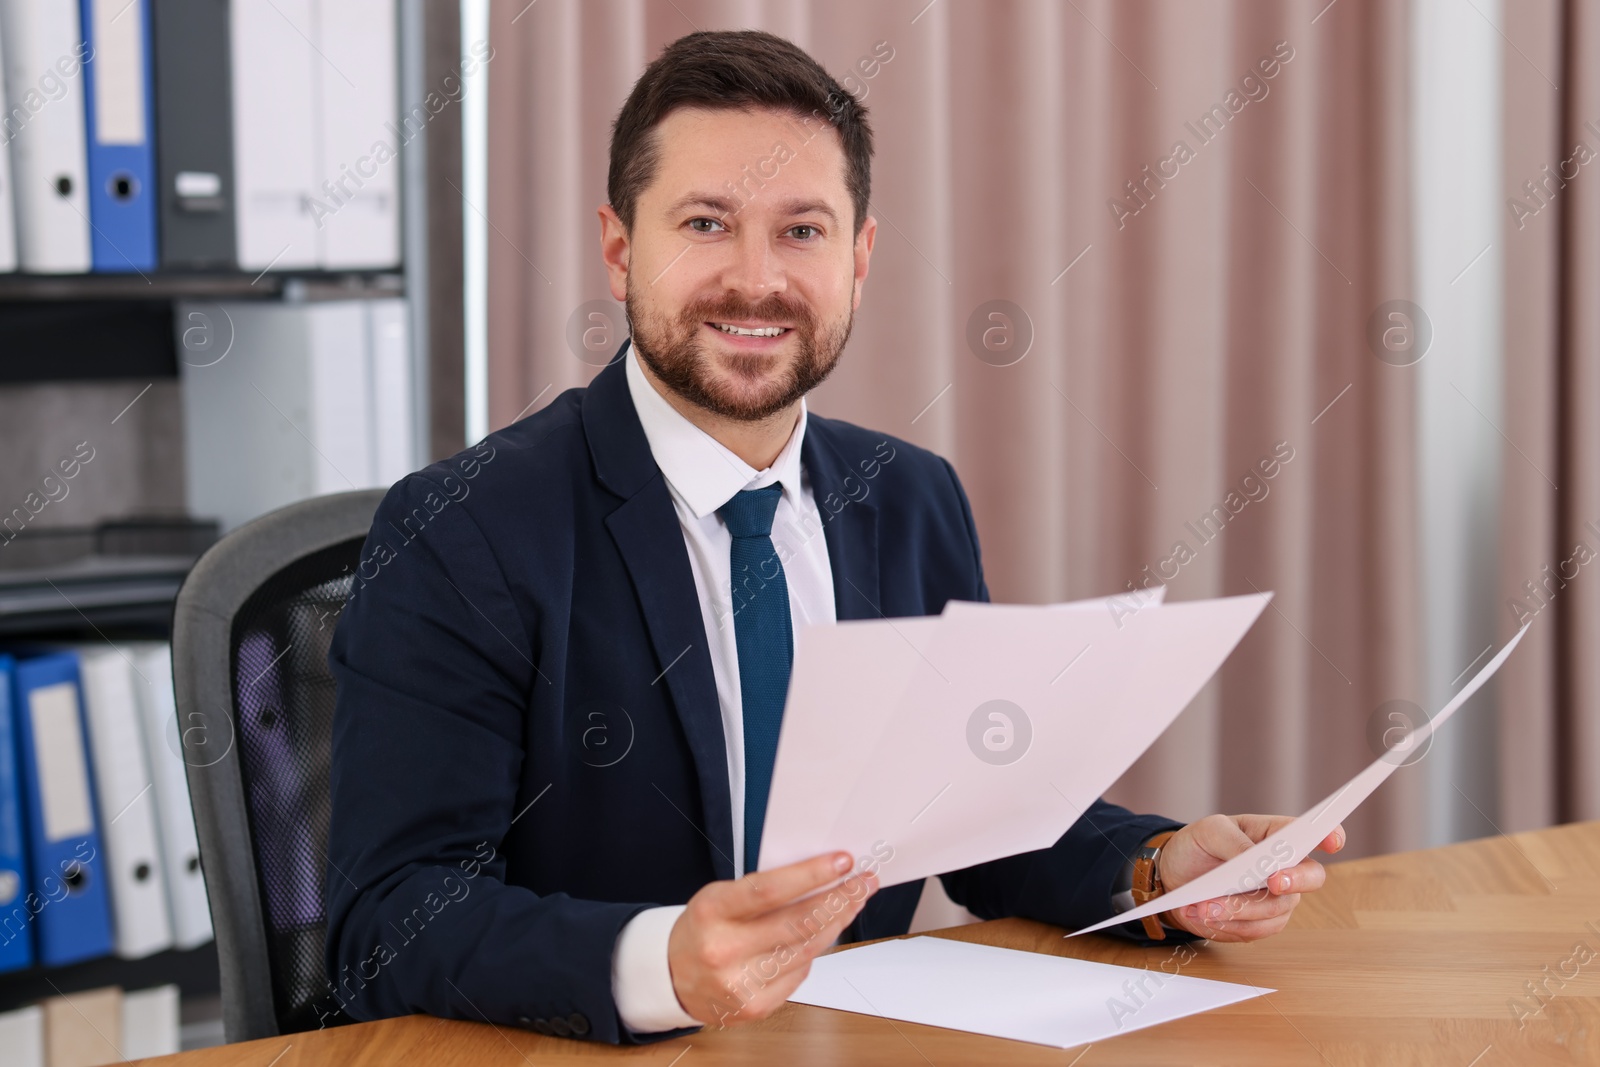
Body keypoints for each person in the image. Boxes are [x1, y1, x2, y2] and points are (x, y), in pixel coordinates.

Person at [323, 28, 1344, 1046]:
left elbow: (977, 811)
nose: (755, 279)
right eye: (706, 223)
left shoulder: (908, 499)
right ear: (620, 244)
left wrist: (1159, 870)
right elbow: (389, 920)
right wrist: (662, 960)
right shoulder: (462, 527)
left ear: (859, 258)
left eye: (801, 230)